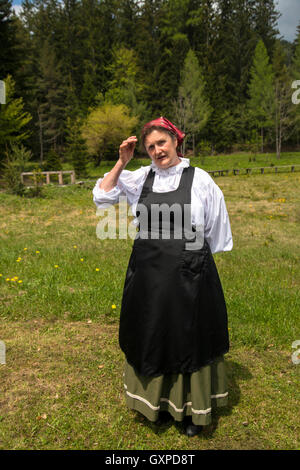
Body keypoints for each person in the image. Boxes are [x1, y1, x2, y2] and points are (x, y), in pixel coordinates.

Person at [92, 117, 233, 437]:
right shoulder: (141, 177)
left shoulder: (200, 180)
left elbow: (214, 224)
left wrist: (192, 256)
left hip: (189, 273)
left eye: (162, 143)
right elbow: (102, 197)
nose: (157, 151)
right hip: (149, 274)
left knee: (188, 336)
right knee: (154, 332)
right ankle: (155, 405)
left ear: (175, 141)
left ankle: (191, 411)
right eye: (150, 147)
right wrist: (121, 162)